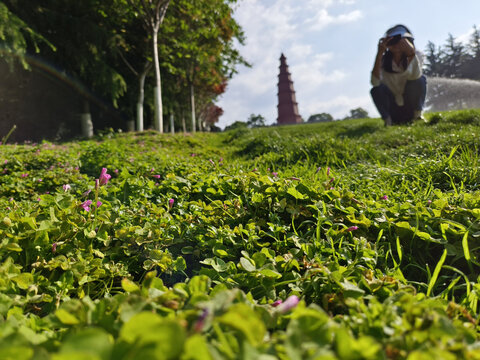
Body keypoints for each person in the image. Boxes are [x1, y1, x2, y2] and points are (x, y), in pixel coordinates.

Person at [370, 24, 427, 126]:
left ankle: (417, 116)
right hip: (393, 110)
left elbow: (415, 78)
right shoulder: (382, 61)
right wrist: (379, 54)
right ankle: (388, 121)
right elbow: (375, 82)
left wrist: (411, 55)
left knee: (421, 80)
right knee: (376, 89)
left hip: (409, 107)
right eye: (392, 40)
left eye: (399, 39)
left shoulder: (417, 55)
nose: (396, 44)